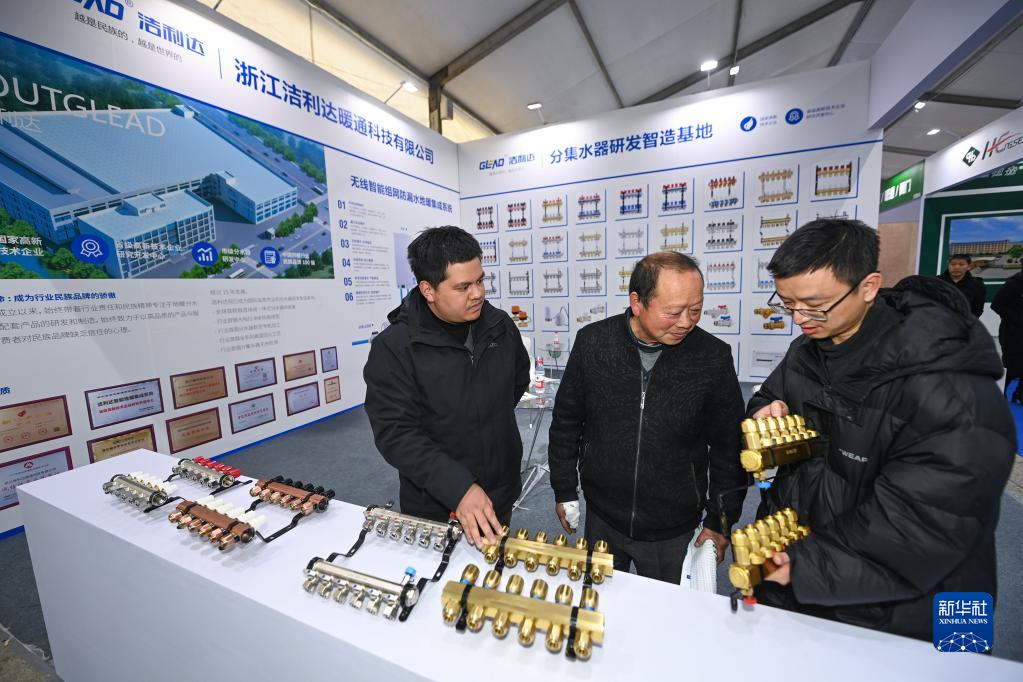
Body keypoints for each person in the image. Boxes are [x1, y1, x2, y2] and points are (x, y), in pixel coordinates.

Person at [748, 218, 1014, 641]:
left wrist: (806, 565)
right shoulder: (808, 348)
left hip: (908, 603)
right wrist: (766, 410)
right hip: (810, 573)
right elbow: (770, 395)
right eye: (787, 303)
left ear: (869, 287)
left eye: (814, 305)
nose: (798, 318)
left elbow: (921, 526)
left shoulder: (952, 392)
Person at [547, 252, 747, 584]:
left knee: (666, 613)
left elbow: (730, 448)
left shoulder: (712, 357)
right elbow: (567, 421)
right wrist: (564, 488)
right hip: (603, 517)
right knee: (600, 604)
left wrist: (719, 521)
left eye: (695, 310)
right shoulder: (593, 343)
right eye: (673, 312)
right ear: (637, 302)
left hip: (673, 529)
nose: (686, 322)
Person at [363, 226, 530, 548]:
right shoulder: (395, 347)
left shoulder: (500, 327)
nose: (477, 294)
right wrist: (458, 486)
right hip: (436, 501)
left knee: (492, 570)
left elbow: (516, 382)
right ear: (428, 290)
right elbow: (395, 433)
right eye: (463, 287)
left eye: (480, 281)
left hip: (500, 489)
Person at [991, 270, 1023, 403]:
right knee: (1011, 366)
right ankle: (998, 395)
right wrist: (1017, 319)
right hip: (1013, 333)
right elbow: (996, 304)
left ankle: (1020, 394)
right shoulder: (1014, 284)